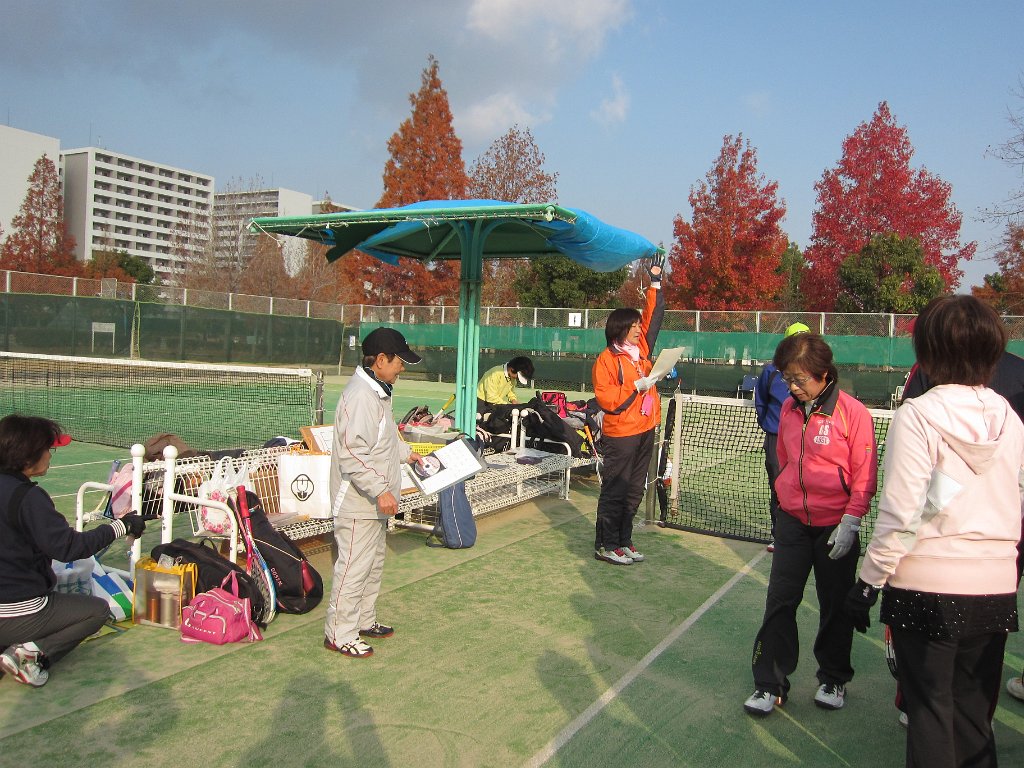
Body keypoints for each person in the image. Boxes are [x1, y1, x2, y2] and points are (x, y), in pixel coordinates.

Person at [848, 296, 1024, 767]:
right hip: (996, 587)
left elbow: (901, 515)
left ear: (927, 351)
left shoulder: (918, 414)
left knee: (929, 713)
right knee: (974, 718)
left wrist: (867, 583)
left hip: (926, 589)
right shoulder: (1010, 418)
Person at [744, 333, 878, 715]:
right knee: (779, 601)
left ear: (823, 374)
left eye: (799, 379)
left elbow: (864, 474)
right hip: (792, 523)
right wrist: (785, 494)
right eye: (787, 378)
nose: (792, 387)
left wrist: (851, 519)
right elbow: (784, 457)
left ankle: (833, 678)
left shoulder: (854, 413)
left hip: (836, 526)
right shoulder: (788, 408)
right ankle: (769, 684)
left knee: (835, 605)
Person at [902, 327, 1024, 708]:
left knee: (929, 698)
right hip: (999, 554)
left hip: (934, 556)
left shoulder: (922, 391)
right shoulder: (1012, 402)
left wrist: (872, 579)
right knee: (974, 696)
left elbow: (906, 502)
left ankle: (911, 705)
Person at [0, 414, 148, 687]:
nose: (50, 455)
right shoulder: (28, 498)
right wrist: (122, 526)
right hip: (16, 609)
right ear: (28, 457)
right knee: (97, 611)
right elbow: (68, 547)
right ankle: (29, 656)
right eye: (48, 449)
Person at [324, 327, 423, 659]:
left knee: (372, 564)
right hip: (357, 502)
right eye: (399, 361)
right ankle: (339, 634)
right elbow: (353, 453)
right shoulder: (361, 397)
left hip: (373, 501)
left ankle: (363, 620)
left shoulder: (378, 391)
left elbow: (384, 438)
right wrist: (381, 489)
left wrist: (406, 453)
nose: (402, 368)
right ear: (380, 360)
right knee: (353, 567)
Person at [591, 251, 666, 565]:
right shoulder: (606, 360)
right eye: (633, 326)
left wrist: (656, 282)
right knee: (615, 490)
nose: (638, 329)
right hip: (621, 435)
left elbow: (654, 318)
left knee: (635, 489)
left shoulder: (641, 350)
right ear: (619, 329)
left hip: (646, 429)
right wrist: (636, 386)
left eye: (638, 325)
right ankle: (606, 545)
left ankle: (624, 540)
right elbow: (607, 399)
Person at [754, 322, 810, 552]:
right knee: (779, 487)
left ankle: (806, 535)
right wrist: (770, 425)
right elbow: (761, 401)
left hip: (806, 438)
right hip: (776, 437)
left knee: (807, 485)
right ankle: (780, 536)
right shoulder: (771, 371)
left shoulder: (815, 373)